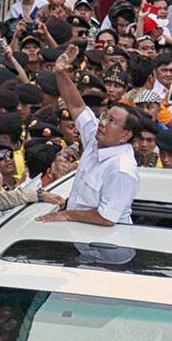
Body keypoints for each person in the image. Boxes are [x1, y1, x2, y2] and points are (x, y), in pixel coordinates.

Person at [36, 48, 140, 225]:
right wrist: (61, 73)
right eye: (105, 116)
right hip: (80, 236)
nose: (103, 122)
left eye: (112, 121)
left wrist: (68, 214)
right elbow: (76, 106)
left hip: (103, 246)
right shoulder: (97, 138)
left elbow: (107, 218)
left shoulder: (122, 169)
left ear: (125, 135)